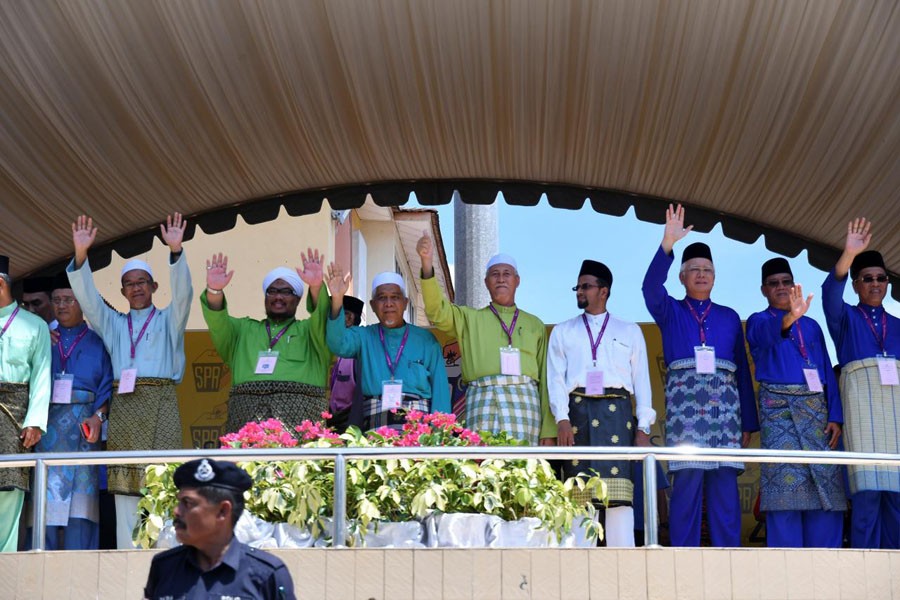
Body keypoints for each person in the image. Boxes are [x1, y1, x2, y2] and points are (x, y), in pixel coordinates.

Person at [67, 213, 193, 548]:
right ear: (122, 291)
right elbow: (90, 303)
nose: (136, 288)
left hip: (162, 405)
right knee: (124, 490)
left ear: (154, 287)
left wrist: (176, 251)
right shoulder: (113, 324)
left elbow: (183, 297)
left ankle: (166, 560)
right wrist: (81, 257)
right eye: (130, 284)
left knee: (162, 485)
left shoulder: (169, 320)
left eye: (142, 282)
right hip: (124, 410)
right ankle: (127, 561)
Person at [641, 204, 758, 547]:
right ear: (682, 277)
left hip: (725, 417)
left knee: (724, 489)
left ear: (715, 276)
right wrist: (667, 245)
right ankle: (682, 559)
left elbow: (741, 374)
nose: (702, 274)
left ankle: (728, 559)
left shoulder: (729, 316)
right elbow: (650, 287)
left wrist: (747, 423)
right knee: (687, 487)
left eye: (707, 269)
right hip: (686, 414)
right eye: (694, 269)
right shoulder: (670, 311)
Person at [547, 259, 655, 547]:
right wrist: (562, 419)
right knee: (580, 501)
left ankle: (623, 568)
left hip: (618, 417)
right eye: (578, 286)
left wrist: (643, 428)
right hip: (578, 418)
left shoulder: (630, 330)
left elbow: (642, 381)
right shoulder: (562, 331)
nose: (579, 291)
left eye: (585, 286)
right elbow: (555, 379)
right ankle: (579, 569)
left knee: (619, 500)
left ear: (603, 291)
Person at [416, 232, 556, 445]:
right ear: (486, 282)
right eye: (495, 274)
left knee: (524, 472)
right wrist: (427, 264)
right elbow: (437, 312)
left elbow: (546, 381)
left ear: (517, 281)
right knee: (483, 472)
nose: (501, 278)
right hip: (482, 402)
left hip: (525, 405)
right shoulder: (470, 319)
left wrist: (548, 430)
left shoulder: (534, 324)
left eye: (507, 274)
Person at [746, 258, 846, 547]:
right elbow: (765, 338)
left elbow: (827, 369)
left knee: (825, 487)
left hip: (817, 414)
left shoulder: (813, 326)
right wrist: (790, 317)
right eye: (774, 283)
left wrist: (835, 416)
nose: (781, 287)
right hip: (779, 415)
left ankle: (829, 569)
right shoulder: (759, 320)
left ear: (794, 285)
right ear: (764, 290)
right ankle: (786, 574)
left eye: (786, 282)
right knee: (784, 492)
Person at [821, 218, 899, 549]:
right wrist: (849, 254)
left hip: (895, 416)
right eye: (868, 278)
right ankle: (864, 570)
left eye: (881, 278)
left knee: (897, 503)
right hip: (862, 414)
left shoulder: (897, 324)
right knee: (867, 499)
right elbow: (829, 293)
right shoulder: (846, 319)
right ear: (856, 284)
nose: (876, 284)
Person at [201, 251, 332, 434]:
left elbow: (323, 315)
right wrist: (214, 290)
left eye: (286, 291)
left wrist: (316, 286)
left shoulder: (311, 332)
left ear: (298, 299)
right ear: (265, 297)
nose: (278, 296)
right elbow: (217, 321)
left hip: (299, 423)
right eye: (272, 291)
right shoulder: (243, 330)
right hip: (246, 421)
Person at [33, 273, 113, 550]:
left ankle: (83, 570)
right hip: (48, 430)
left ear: (82, 303)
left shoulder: (98, 341)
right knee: (47, 502)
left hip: (83, 430)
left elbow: (106, 385)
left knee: (81, 508)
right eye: (57, 300)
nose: (62, 305)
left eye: (69, 299)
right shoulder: (43, 337)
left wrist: (98, 417)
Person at [143, 458, 296, 600]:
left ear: (223, 511)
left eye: (187, 503)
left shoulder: (266, 575)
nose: (176, 511)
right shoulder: (164, 567)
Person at [326, 266, 450, 430]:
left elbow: (440, 391)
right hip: (375, 429)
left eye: (395, 297)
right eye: (382, 298)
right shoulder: (363, 337)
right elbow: (337, 343)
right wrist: (336, 299)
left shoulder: (426, 340)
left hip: (418, 432)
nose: (389, 303)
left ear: (405, 303)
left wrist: (439, 436)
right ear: (372, 305)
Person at [0, 254, 51, 552]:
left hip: (15, 416)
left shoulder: (34, 326)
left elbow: (42, 376)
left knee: (9, 486)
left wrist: (35, 421)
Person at [327, 295, 364, 432]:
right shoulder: (327, 346)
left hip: (349, 421)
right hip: (328, 418)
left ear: (349, 319)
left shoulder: (358, 350)